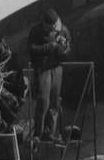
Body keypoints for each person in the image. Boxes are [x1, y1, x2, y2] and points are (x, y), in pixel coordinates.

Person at [28, 8, 71, 142]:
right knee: (43, 101)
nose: (51, 28)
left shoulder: (63, 29)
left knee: (54, 102)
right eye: (48, 26)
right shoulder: (36, 31)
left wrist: (62, 49)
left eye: (53, 26)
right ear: (44, 23)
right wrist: (48, 47)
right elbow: (31, 48)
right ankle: (38, 134)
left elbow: (68, 47)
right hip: (43, 69)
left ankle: (49, 133)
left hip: (57, 68)